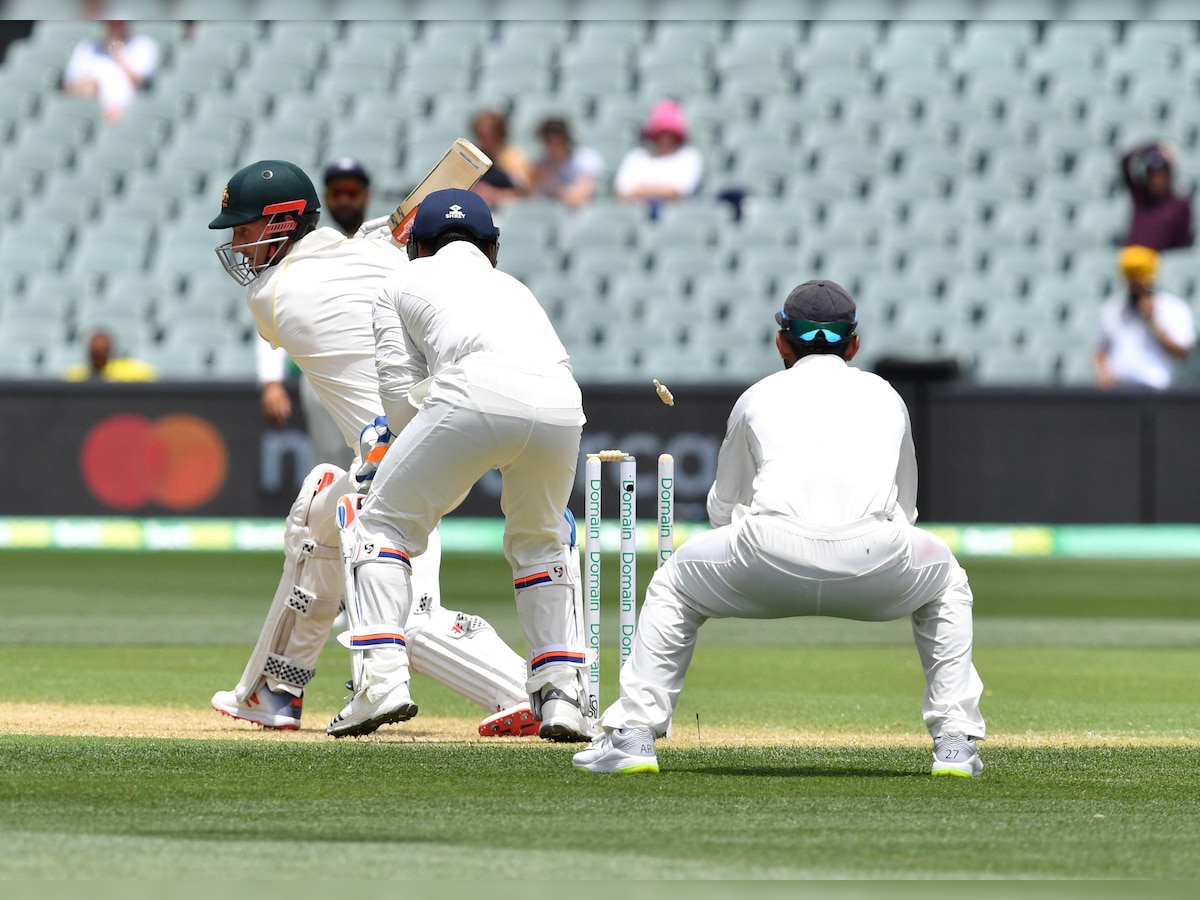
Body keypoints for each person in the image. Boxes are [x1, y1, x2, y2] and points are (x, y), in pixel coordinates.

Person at [573, 280, 986, 777]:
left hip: (767, 556)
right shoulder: (886, 396)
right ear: (854, 343)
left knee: (674, 581)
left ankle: (634, 734)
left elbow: (724, 508)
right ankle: (955, 742)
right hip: (876, 559)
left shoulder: (757, 397)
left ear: (781, 342)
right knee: (947, 580)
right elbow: (908, 510)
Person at [206, 159, 544, 738]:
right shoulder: (385, 257)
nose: (238, 246)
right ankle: (275, 689)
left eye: (244, 231)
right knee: (319, 504)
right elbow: (374, 270)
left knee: (406, 619)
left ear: (284, 223)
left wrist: (361, 243)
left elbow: (322, 284)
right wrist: (370, 245)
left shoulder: (271, 294)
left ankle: (537, 693)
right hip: (424, 443)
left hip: (412, 456)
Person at [330, 188, 592, 743]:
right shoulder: (516, 287)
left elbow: (400, 403)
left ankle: (380, 680)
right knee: (541, 540)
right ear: (492, 248)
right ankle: (562, 695)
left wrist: (396, 446)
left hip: (473, 390)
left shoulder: (399, 282)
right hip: (564, 403)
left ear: (416, 246)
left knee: (381, 525)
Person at [1094, 245, 1196, 390]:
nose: (1135, 282)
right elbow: (1100, 350)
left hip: (1155, 391)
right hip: (1118, 391)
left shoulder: (1173, 307)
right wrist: (1103, 372)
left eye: (1139, 275)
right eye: (1130, 276)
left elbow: (1182, 352)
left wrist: (1152, 321)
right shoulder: (1113, 307)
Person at [613, 99, 704, 215]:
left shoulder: (689, 157)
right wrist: (659, 191)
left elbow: (679, 191)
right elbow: (622, 194)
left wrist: (642, 189)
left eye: (669, 134)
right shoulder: (636, 157)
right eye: (661, 133)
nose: (665, 139)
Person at [61, 19, 159, 123]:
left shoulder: (143, 45)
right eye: (110, 22)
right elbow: (68, 85)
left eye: (119, 22)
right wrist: (89, 87)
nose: (115, 25)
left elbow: (141, 82)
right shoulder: (87, 47)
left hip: (128, 111)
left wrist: (118, 55)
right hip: (89, 109)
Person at [1120, 141, 1194, 252]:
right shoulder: (1141, 199)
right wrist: (1153, 147)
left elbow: (1181, 243)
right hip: (1131, 260)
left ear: (1169, 176)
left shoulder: (1180, 205)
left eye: (1161, 176)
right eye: (1152, 176)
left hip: (1160, 264)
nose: (1157, 181)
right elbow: (1125, 161)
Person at [529, 117, 604, 210]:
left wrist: (551, 182)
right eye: (548, 141)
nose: (553, 147)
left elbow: (579, 199)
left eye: (558, 142)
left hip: (579, 217)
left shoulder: (585, 158)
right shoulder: (542, 164)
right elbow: (533, 200)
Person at [469, 108, 533, 207]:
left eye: (490, 134)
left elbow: (524, 192)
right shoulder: (474, 155)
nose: (485, 139)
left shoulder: (512, 156)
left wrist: (494, 194)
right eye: (481, 135)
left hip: (506, 208)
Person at [63, 329, 156, 382]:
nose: (98, 354)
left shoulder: (129, 370)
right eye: (95, 352)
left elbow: (152, 377)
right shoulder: (78, 375)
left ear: (111, 351)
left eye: (103, 351)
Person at [322, 157, 373, 237]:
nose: (343, 201)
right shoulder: (317, 244)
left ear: (366, 196)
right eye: (336, 192)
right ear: (325, 197)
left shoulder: (384, 242)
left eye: (352, 192)